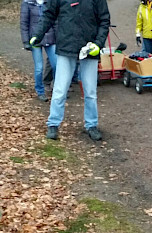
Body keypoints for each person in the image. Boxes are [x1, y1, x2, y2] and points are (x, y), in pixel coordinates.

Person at [30, 0, 110, 141]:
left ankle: (91, 125)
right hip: (66, 47)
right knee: (60, 90)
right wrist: (38, 34)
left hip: (89, 49)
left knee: (90, 91)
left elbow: (104, 20)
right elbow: (48, 15)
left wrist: (98, 44)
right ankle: (53, 124)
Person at [20, 0, 57, 102]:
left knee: (56, 64)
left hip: (50, 38)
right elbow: (24, 24)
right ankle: (40, 91)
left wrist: (57, 36)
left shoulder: (49, 2)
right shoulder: (27, 3)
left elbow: (54, 20)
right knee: (39, 68)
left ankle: (57, 89)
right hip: (35, 39)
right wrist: (26, 41)